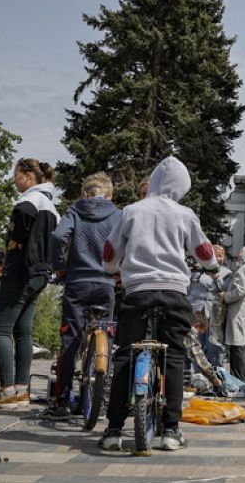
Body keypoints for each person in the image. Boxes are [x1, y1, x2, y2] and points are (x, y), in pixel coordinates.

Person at [98, 156, 219, 452]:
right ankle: (171, 431)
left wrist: (111, 269)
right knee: (175, 356)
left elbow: (111, 250)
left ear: (150, 182)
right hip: (174, 292)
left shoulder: (131, 211)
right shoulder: (185, 213)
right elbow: (204, 251)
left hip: (137, 290)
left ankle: (113, 430)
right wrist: (212, 265)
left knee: (125, 353)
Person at [0, 159, 59, 409]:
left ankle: (7, 391)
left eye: (15, 176)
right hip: (41, 273)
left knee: (1, 330)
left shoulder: (29, 200)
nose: (13, 180)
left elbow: (23, 217)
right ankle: (22, 390)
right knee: (23, 332)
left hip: (21, 272)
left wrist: (19, 240)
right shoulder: (51, 205)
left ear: (27, 176)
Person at [42, 172, 122, 420]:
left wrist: (59, 267)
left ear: (84, 193)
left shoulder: (76, 210)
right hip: (106, 283)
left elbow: (57, 237)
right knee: (106, 335)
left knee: (70, 339)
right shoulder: (118, 214)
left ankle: (61, 402)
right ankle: (104, 391)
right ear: (109, 195)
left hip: (77, 282)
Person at [215, 243, 245, 385]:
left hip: (238, 310)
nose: (238, 255)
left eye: (241, 252)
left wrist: (226, 295)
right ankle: (240, 380)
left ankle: (240, 380)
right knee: (238, 343)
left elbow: (241, 290)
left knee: (236, 345)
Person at [188, 246, 231, 370]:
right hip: (196, 310)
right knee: (196, 344)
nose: (218, 259)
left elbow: (225, 289)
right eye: (215, 256)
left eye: (220, 256)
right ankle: (197, 375)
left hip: (214, 312)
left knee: (214, 344)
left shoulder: (226, 273)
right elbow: (190, 286)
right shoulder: (199, 269)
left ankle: (217, 373)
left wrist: (216, 276)